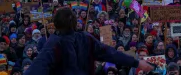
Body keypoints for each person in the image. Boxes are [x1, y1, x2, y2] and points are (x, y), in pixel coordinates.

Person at [24, 7, 154, 75]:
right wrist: (136, 63)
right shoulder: (86, 38)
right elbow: (111, 53)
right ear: (75, 22)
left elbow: (37, 67)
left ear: (56, 24)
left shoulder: (54, 43)